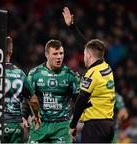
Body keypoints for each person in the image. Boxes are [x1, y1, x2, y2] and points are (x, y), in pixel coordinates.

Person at [63, 7, 115, 143]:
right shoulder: (106, 67)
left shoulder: (92, 74)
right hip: (108, 125)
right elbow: (87, 46)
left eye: (85, 54)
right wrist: (72, 27)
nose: (83, 56)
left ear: (89, 55)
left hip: (94, 127)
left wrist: (72, 125)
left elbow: (81, 101)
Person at [27, 39, 80, 143]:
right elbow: (29, 98)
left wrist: (73, 122)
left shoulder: (70, 75)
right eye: (55, 54)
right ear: (47, 54)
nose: (59, 57)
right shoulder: (34, 74)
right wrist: (25, 115)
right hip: (40, 124)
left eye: (61, 53)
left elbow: (79, 101)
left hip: (62, 126)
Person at [4, 36, 40, 143]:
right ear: (11, 52)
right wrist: (36, 117)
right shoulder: (20, 74)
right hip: (15, 124)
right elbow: (33, 100)